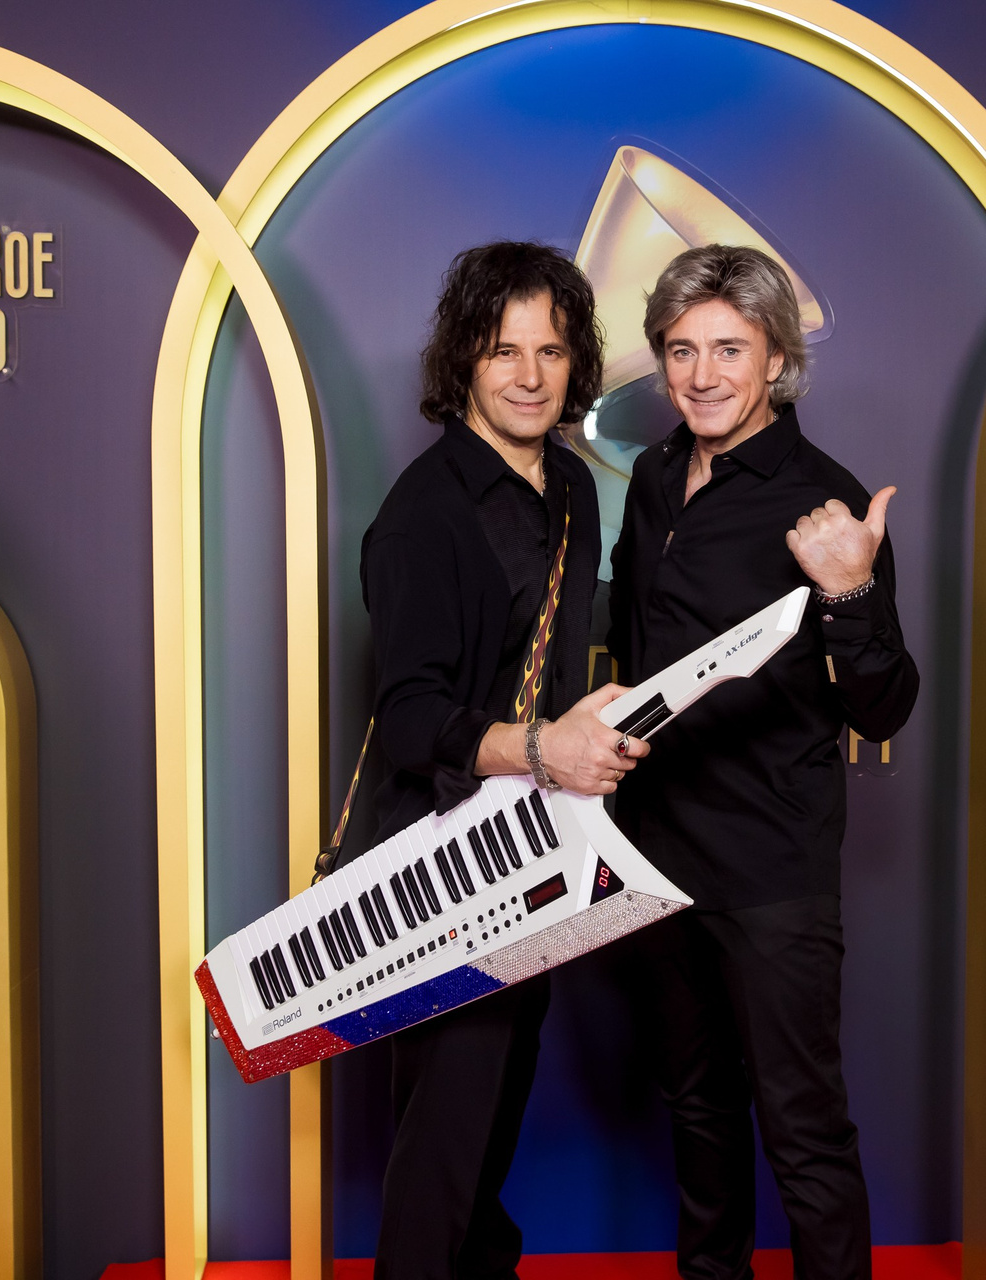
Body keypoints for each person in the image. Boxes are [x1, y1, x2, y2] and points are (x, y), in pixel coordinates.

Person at [608, 244, 920, 1280]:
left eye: (729, 350)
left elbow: (885, 702)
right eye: (681, 350)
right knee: (697, 1109)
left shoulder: (825, 507)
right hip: (653, 858)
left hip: (771, 866)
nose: (701, 375)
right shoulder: (653, 477)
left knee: (803, 1127)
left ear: (777, 359)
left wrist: (849, 592)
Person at [357, 240, 649, 1280]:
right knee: (442, 1140)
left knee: (492, 1120)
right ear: (464, 363)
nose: (529, 375)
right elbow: (410, 720)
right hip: (441, 865)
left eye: (551, 351)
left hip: (532, 850)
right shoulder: (421, 516)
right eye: (503, 351)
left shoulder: (568, 485)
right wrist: (542, 747)